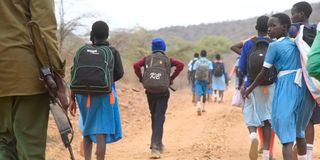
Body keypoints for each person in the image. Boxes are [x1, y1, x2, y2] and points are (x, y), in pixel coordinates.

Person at [244, 13, 316, 160]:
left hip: (287, 87)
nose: (269, 29)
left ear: (284, 27)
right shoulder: (297, 42)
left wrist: (249, 88)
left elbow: (264, 72)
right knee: (299, 133)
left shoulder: (274, 46)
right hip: (305, 89)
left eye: (273, 25)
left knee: (286, 138)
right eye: (268, 26)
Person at [0, 0, 65, 159]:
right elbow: (42, 28)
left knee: (4, 144)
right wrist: (56, 73)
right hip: (27, 74)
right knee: (30, 149)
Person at [69, 21, 124, 160]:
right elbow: (120, 73)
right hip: (103, 95)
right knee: (101, 131)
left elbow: (73, 73)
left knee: (87, 129)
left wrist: (72, 97)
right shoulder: (112, 51)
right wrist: (106, 81)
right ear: (107, 35)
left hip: (82, 95)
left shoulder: (83, 51)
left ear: (91, 34)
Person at [133, 37, 184, 158]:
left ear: (153, 48)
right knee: (159, 117)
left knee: (155, 116)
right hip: (163, 91)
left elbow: (135, 65)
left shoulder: (147, 59)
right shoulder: (167, 59)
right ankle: (155, 146)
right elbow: (181, 65)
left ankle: (158, 143)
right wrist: (171, 78)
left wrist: (141, 79)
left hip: (150, 91)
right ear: (163, 47)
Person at [239, 15, 275, 160]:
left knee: (250, 112)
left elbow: (242, 67)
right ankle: (266, 154)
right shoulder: (273, 42)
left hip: (252, 85)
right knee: (267, 119)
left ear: (256, 28)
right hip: (271, 84)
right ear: (269, 28)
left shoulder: (248, 43)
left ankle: (253, 135)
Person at [289, 2, 319, 159]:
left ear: (300, 14)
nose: (291, 16)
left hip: (303, 79)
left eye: (293, 13)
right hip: (317, 77)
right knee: (311, 119)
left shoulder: (294, 29)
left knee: (303, 118)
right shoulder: (316, 29)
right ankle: (307, 153)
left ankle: (303, 153)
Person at [193, 50, 213, 115]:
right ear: (206, 54)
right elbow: (210, 73)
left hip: (198, 79)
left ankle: (198, 105)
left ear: (200, 55)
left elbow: (194, 71)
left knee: (199, 93)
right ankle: (203, 108)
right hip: (205, 80)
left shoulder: (197, 62)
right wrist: (210, 82)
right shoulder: (209, 62)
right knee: (204, 93)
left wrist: (193, 80)